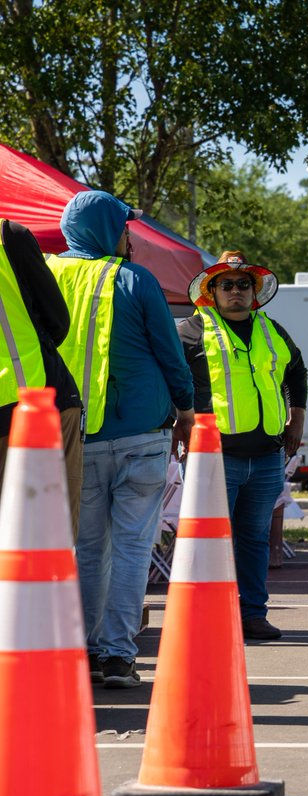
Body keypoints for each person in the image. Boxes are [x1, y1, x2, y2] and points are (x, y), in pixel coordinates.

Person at [47, 190, 195, 689]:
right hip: (140, 436)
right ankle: (118, 656)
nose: (129, 237)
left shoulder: (48, 274)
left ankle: (87, 651)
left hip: (74, 436)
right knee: (133, 547)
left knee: (88, 548)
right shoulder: (135, 279)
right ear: (112, 229)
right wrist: (186, 410)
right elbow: (171, 354)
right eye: (124, 228)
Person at [177, 251, 307, 640]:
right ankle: (206, 618)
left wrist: (296, 417)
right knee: (207, 540)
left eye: (243, 285)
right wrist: (175, 425)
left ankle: (252, 614)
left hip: (266, 456)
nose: (236, 291)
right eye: (227, 285)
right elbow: (170, 380)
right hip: (213, 458)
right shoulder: (190, 331)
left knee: (254, 540)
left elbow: (296, 372)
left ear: (254, 291)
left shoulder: (273, 330)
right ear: (211, 291)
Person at [0, 219, 83, 531]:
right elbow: (57, 321)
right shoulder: (8, 235)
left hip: (34, 404)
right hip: (40, 401)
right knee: (49, 536)